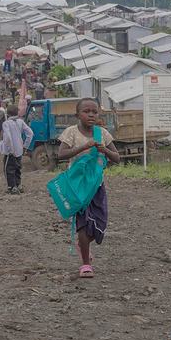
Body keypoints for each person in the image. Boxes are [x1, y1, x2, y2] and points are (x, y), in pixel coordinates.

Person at [55, 99, 121, 277]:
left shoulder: (102, 134)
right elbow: (61, 155)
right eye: (86, 111)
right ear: (78, 115)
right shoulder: (71, 132)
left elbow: (117, 158)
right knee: (83, 225)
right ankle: (85, 264)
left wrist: (104, 150)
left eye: (94, 111)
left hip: (96, 186)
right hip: (78, 187)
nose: (91, 115)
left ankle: (83, 245)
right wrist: (83, 147)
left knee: (100, 222)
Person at [0, 104, 33, 194]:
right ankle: (18, 185)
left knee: (8, 169)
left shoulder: (6, 124)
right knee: (17, 168)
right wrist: (25, 146)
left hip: (10, 151)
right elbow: (30, 133)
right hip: (20, 149)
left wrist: (10, 150)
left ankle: (12, 187)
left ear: (7, 114)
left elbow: (7, 137)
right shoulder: (20, 121)